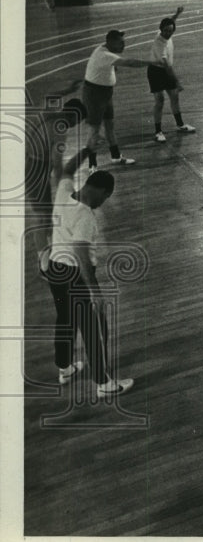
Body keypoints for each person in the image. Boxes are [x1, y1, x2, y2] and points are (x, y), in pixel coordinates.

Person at [44, 144, 134, 396]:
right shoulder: (85, 216)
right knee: (94, 328)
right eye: (105, 198)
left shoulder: (64, 192)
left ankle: (65, 368)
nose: (103, 203)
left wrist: (87, 149)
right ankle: (103, 383)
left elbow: (67, 169)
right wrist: (94, 292)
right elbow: (82, 258)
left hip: (55, 269)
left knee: (65, 320)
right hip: (75, 276)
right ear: (100, 191)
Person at [24, 80, 87, 269]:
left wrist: (67, 89)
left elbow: (51, 96)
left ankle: (51, 251)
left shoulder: (48, 112)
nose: (76, 125)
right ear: (75, 118)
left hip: (28, 162)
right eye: (78, 122)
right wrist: (63, 187)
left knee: (46, 212)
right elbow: (57, 163)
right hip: (36, 168)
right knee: (41, 215)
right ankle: (44, 261)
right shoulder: (61, 129)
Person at [82, 29, 166, 171]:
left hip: (106, 93)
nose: (124, 46)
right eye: (121, 43)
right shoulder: (104, 55)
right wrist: (152, 62)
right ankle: (92, 165)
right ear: (110, 42)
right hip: (94, 95)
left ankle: (116, 156)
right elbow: (130, 62)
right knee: (94, 131)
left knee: (110, 126)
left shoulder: (105, 51)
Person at [147, 6, 197, 142]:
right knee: (160, 101)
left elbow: (171, 21)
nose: (168, 33)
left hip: (165, 70)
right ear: (160, 30)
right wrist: (177, 82)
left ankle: (180, 124)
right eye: (166, 31)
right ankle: (158, 132)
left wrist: (177, 14)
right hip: (156, 71)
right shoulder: (159, 43)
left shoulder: (167, 31)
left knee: (174, 97)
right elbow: (167, 67)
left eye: (171, 30)